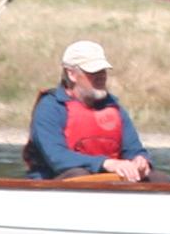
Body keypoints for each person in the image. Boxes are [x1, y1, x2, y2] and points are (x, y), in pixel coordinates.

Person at [26, 41, 154, 182]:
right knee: (78, 174)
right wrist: (106, 163)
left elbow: (134, 149)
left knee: (158, 178)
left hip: (108, 180)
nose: (101, 76)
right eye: (93, 72)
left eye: (103, 71)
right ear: (72, 74)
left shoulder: (113, 107)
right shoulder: (50, 107)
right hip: (57, 182)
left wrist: (140, 160)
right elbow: (57, 158)